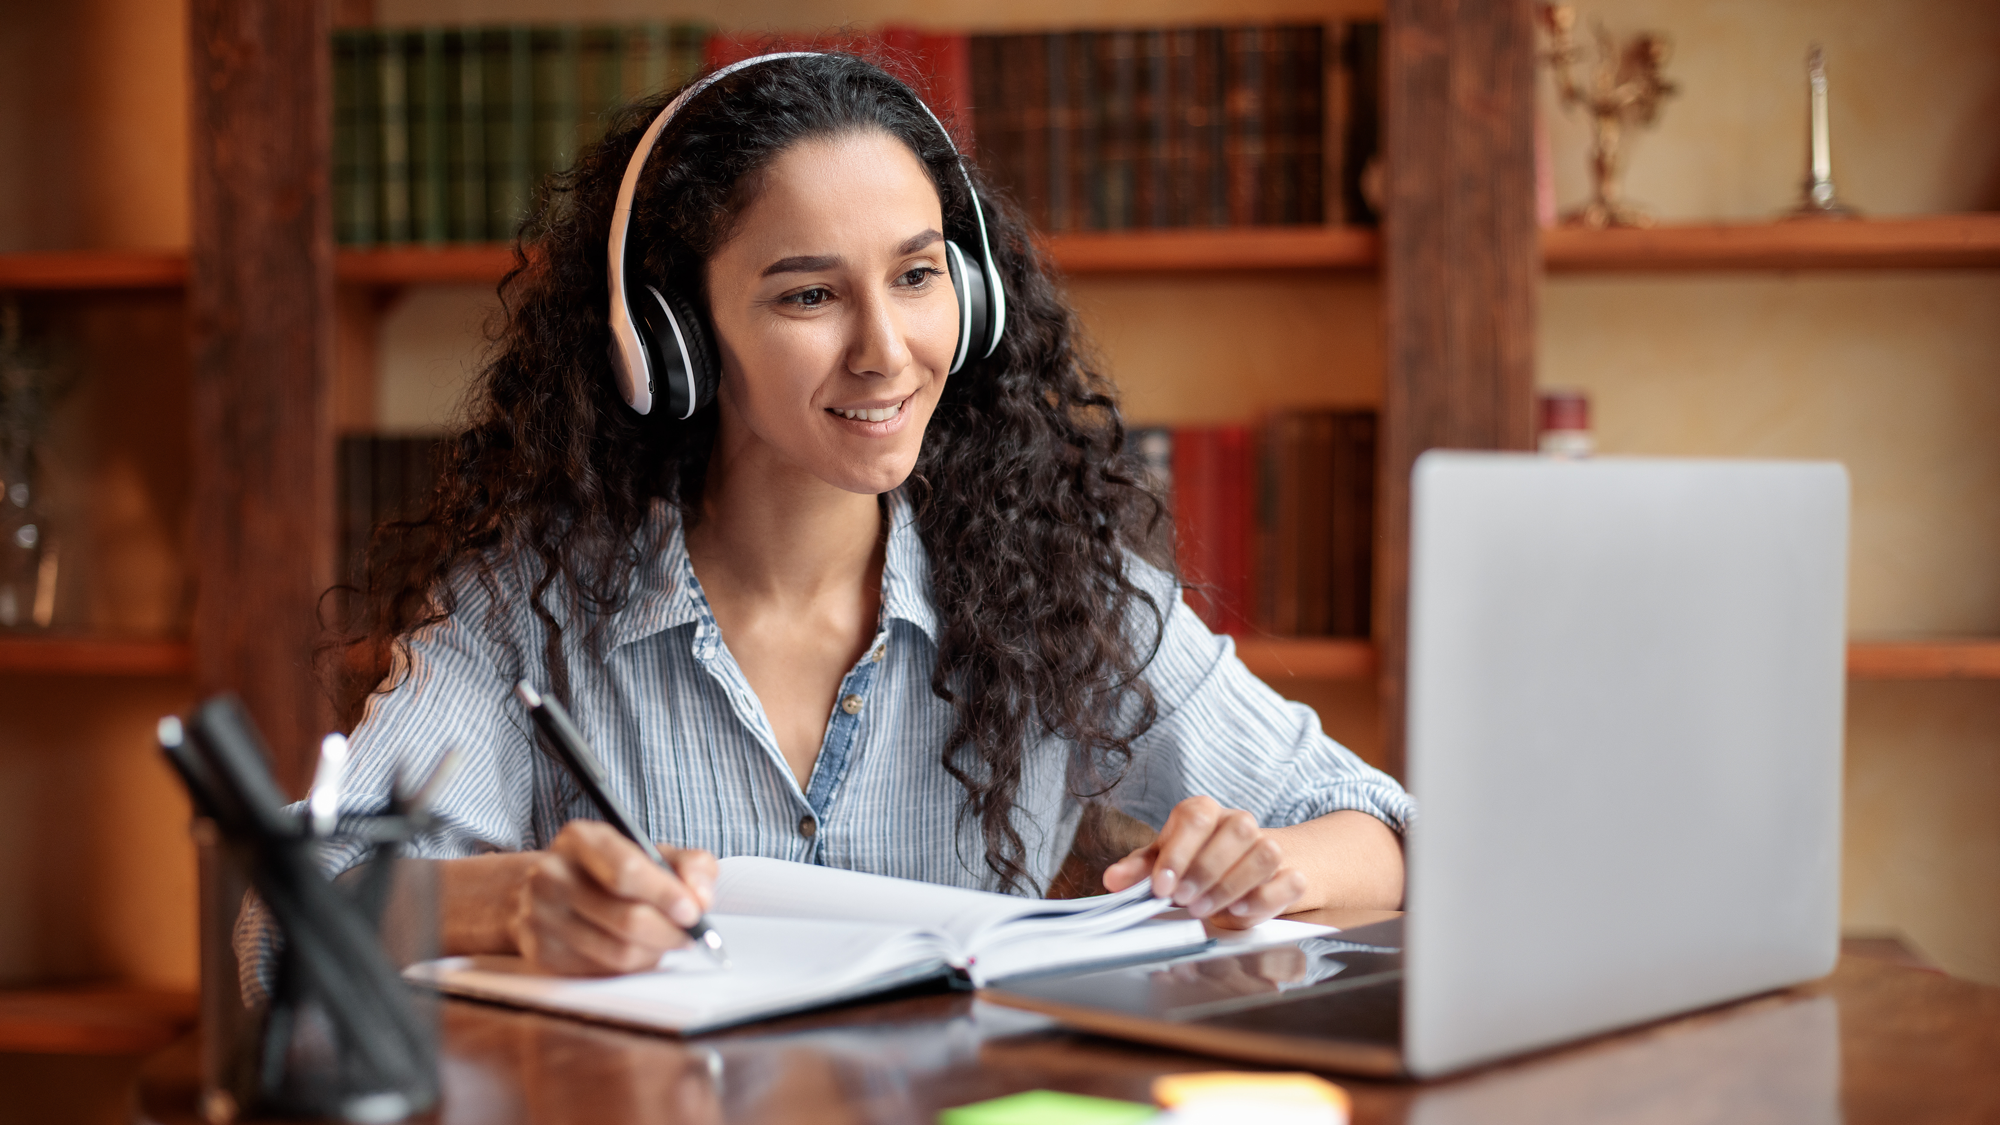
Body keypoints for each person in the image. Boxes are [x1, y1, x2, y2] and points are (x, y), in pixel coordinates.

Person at [330, 52, 1412, 977]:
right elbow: (304, 903)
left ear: (972, 295)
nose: (886, 352)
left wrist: (1274, 865)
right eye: (808, 294)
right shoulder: (534, 609)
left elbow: (1380, 830)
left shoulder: (1053, 582)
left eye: (915, 276)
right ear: (675, 344)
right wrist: (512, 903)